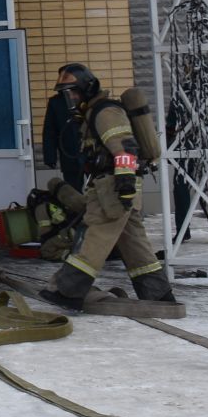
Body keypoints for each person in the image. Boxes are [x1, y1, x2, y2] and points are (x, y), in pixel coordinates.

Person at [38, 64, 174, 310]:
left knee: (94, 237)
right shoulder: (92, 114)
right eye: (68, 94)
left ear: (88, 88)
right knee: (135, 245)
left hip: (113, 187)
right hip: (114, 186)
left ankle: (68, 290)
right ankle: (159, 294)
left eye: (74, 93)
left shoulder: (105, 112)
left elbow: (125, 147)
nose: (71, 99)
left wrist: (124, 183)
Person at [39, 85, 83, 189]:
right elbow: (50, 131)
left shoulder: (88, 98)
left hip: (90, 153)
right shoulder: (56, 102)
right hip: (69, 152)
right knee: (73, 189)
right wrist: (50, 157)